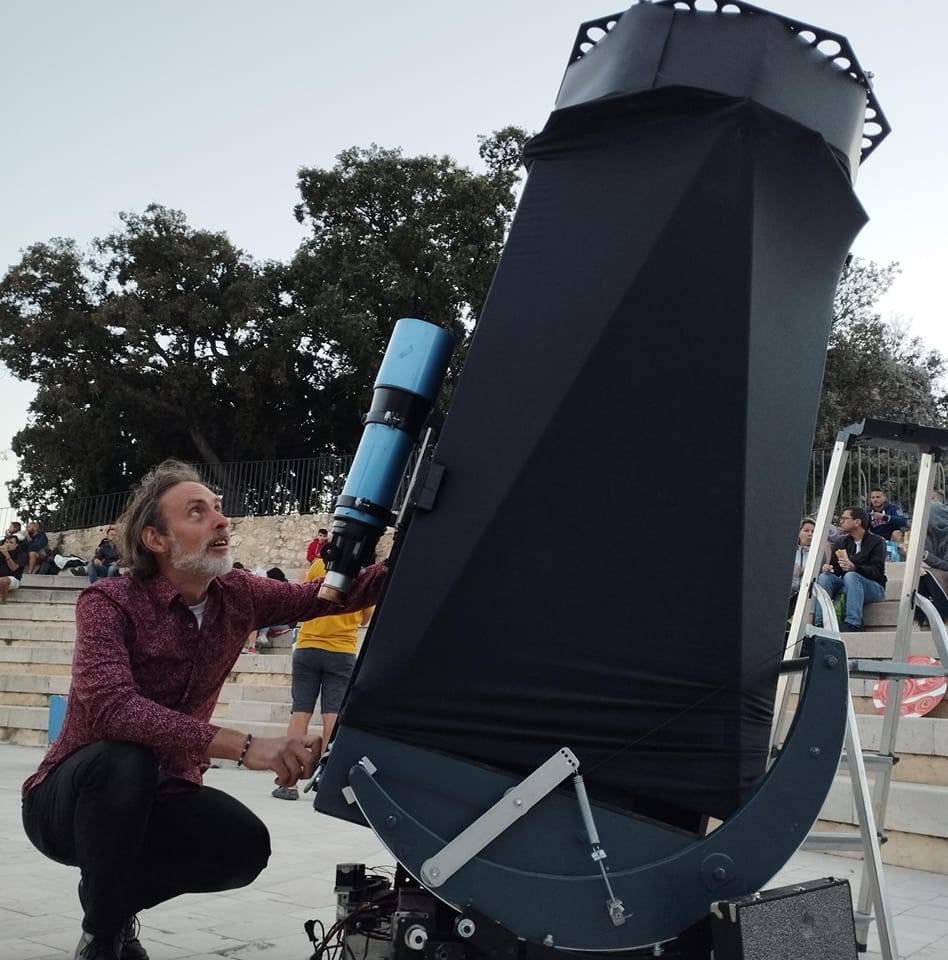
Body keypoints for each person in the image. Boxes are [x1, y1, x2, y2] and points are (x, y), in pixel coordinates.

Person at [20, 459, 386, 960]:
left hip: (162, 794)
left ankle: (105, 904)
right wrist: (248, 747)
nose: (221, 520)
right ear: (156, 539)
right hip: (70, 803)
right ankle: (104, 940)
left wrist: (419, 547)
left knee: (242, 845)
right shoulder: (110, 601)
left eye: (218, 508)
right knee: (124, 758)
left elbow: (326, 597)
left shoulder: (237, 593)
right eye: (198, 512)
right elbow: (113, 709)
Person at [272, 554, 373, 801]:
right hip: (342, 650)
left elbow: (306, 596)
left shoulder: (319, 564)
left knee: (300, 713)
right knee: (333, 716)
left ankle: (289, 782)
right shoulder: (365, 574)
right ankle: (326, 779)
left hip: (308, 647)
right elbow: (365, 617)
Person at [814, 506, 886, 632]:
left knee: (851, 575)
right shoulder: (841, 542)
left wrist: (855, 568)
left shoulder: (877, 542)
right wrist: (829, 569)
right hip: (848, 585)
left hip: (873, 587)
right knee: (824, 577)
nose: (841, 521)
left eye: (845, 518)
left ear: (857, 522)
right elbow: (836, 570)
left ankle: (853, 623)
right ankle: (821, 623)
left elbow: (877, 571)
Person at [0, 533, 28, 602]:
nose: (8, 544)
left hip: (13, 579)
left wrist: (6, 554)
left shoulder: (22, 555)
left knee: (3, 580)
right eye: (6, 542)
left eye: (11, 543)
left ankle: (3, 601)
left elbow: (13, 568)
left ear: (16, 545)